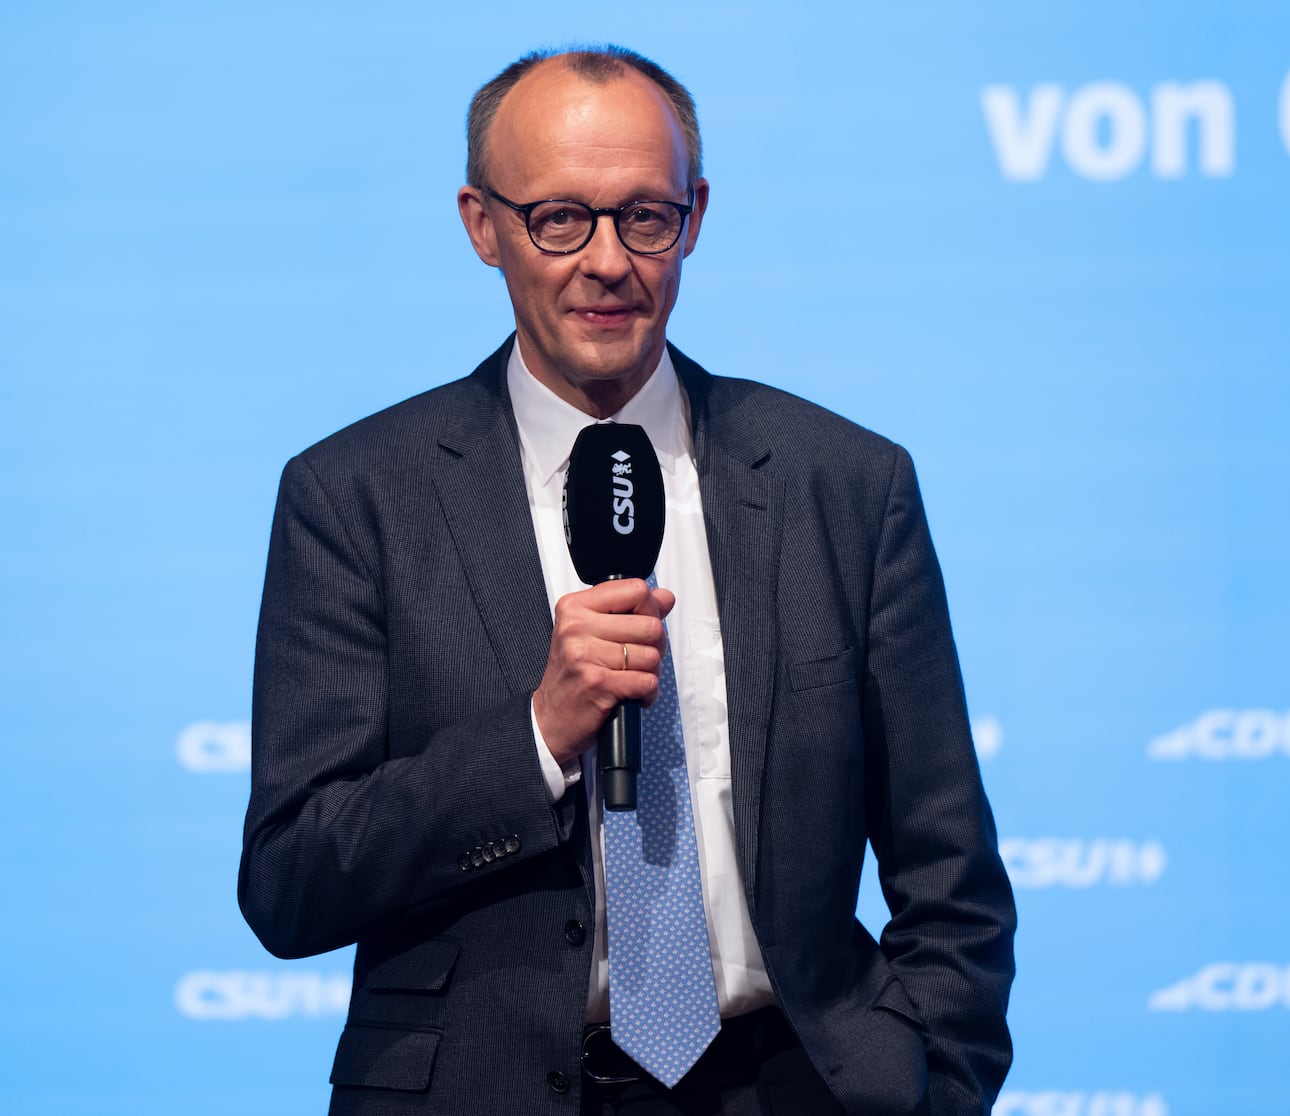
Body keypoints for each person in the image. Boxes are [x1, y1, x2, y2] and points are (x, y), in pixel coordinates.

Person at [239, 44, 1015, 1116]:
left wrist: (929, 1086)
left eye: (644, 216)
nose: (607, 262)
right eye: (560, 218)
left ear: (694, 217)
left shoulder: (843, 483)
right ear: (483, 225)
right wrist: (538, 737)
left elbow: (951, 872)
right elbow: (290, 881)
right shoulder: (356, 495)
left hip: (785, 1087)